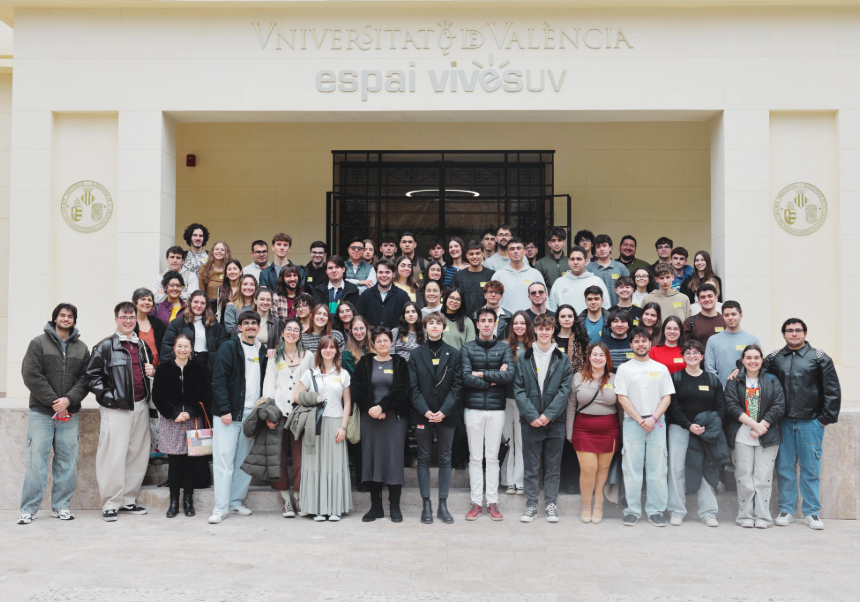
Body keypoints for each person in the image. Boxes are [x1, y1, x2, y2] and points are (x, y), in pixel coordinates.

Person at [17, 304, 90, 525]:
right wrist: (54, 401)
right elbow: (30, 374)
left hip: (70, 414)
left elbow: (85, 379)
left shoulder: (82, 348)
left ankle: (61, 507)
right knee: (36, 462)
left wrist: (68, 400)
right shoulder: (38, 343)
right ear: (55, 318)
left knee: (66, 462)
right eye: (62, 315)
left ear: (74, 320)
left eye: (70, 316)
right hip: (41, 413)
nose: (66, 319)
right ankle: (28, 509)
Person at [766, 319, 841, 531]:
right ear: (783, 335)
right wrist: (737, 370)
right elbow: (753, 368)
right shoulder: (774, 358)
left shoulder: (819, 358)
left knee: (811, 468)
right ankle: (786, 510)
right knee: (785, 468)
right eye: (789, 331)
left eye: (798, 330)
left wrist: (824, 419)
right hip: (783, 422)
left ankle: (812, 512)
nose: (794, 334)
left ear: (805, 333)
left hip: (811, 422)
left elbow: (832, 390)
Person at [85, 301, 155, 522]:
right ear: (116, 319)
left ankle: (128, 501)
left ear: (136, 319)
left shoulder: (141, 345)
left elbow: (146, 371)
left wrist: (152, 372)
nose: (128, 321)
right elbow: (92, 377)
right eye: (123, 317)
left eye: (131, 317)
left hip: (140, 405)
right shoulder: (105, 346)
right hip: (117, 409)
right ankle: (110, 504)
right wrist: (109, 398)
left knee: (137, 455)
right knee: (113, 456)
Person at [208, 309, 268, 524]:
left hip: (251, 415)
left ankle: (235, 502)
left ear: (259, 327)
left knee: (243, 461)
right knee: (224, 461)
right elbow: (218, 379)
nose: (250, 326)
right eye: (246, 323)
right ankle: (220, 508)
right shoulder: (229, 347)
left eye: (254, 323)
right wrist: (225, 409)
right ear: (239, 327)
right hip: (228, 414)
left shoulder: (263, 350)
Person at [513, 313, 572, 524]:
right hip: (530, 421)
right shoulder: (524, 357)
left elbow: (564, 391)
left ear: (553, 330)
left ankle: (550, 504)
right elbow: (518, 389)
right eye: (541, 329)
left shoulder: (562, 359)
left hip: (555, 422)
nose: (544, 332)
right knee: (530, 466)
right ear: (535, 330)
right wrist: (532, 415)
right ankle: (531, 505)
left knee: (553, 466)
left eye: (548, 329)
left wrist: (548, 415)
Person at [614, 326, 675, 527]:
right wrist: (640, 419)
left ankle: (655, 510)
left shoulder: (660, 368)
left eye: (644, 340)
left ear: (650, 343)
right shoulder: (624, 369)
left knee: (658, 469)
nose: (641, 344)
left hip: (657, 423)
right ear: (631, 345)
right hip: (633, 423)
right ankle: (632, 510)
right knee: (632, 469)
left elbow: (666, 398)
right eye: (636, 341)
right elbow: (622, 398)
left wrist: (652, 418)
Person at [460, 308, 516, 521]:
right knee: (475, 458)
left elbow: (509, 375)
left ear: (495, 324)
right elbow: (465, 378)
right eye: (482, 320)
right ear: (477, 324)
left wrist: (481, 374)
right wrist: (494, 379)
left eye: (489, 321)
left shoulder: (503, 348)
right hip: (472, 409)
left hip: (496, 410)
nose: (485, 324)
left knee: (492, 458)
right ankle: (476, 503)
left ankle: (492, 503)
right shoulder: (467, 348)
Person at [352, 327, 410, 522]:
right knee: (371, 460)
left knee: (393, 461)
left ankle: (395, 506)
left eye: (386, 340)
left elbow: (403, 389)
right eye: (379, 341)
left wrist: (384, 407)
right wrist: (372, 408)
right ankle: (376, 507)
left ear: (391, 343)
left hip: (394, 419)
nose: (383, 344)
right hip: (370, 419)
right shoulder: (365, 362)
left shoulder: (400, 362)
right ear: (373, 344)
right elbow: (356, 388)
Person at [409, 312, 463, 524]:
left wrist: (444, 411)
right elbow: (413, 388)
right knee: (423, 458)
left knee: (445, 459)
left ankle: (442, 504)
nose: (434, 326)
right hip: (422, 414)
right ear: (425, 327)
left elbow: (457, 386)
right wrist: (425, 411)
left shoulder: (454, 354)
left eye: (437, 323)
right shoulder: (416, 354)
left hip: (446, 415)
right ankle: (426, 505)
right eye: (430, 323)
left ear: (443, 328)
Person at [292, 335, 354, 521]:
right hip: (314, 424)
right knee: (315, 465)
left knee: (335, 466)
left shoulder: (343, 374)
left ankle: (334, 508)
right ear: (320, 350)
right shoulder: (310, 373)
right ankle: (317, 508)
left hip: (335, 422)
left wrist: (343, 427)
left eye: (332, 347)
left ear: (336, 350)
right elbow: (296, 396)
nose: (328, 350)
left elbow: (348, 403)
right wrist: (312, 398)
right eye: (324, 347)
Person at [666, 340, 726, 528]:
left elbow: (720, 408)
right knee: (676, 469)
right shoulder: (675, 378)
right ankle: (677, 510)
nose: (692, 355)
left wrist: (708, 428)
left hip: (704, 432)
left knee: (706, 468)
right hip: (680, 430)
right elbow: (673, 408)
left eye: (696, 352)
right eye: (688, 352)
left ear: (702, 356)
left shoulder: (712, 380)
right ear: (683, 356)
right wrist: (689, 425)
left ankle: (708, 513)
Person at [151, 334, 212, 518]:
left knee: (191, 463)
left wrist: (191, 412)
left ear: (191, 348)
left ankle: (188, 500)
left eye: (186, 346)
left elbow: (206, 395)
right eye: (180, 346)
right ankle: (174, 502)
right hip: (171, 422)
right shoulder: (163, 369)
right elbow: (158, 396)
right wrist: (173, 413)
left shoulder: (199, 369)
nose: (183, 349)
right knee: (175, 463)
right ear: (174, 348)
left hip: (192, 421)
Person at [724, 344, 785, 529]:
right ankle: (745, 516)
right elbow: (732, 406)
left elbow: (779, 404)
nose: (752, 361)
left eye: (756, 357)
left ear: (761, 360)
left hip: (767, 436)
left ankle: (763, 517)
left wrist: (762, 426)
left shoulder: (772, 380)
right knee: (744, 476)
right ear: (742, 360)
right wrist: (754, 425)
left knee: (763, 478)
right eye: (748, 358)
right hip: (742, 436)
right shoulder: (734, 381)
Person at [263, 317, 314, 518]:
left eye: (296, 330)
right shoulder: (275, 356)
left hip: (300, 414)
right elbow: (268, 385)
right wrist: (268, 413)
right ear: (283, 333)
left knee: (301, 460)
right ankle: (286, 500)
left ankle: (299, 498)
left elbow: (312, 383)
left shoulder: (308, 356)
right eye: (288, 329)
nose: (292, 332)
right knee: (279, 458)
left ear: (300, 335)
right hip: (279, 413)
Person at [566, 342, 620, 524]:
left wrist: (622, 433)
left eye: (601, 355)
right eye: (594, 354)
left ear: (607, 359)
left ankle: (599, 506)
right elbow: (571, 405)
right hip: (583, 428)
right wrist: (569, 431)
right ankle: (586, 506)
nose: (597, 358)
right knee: (588, 469)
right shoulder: (578, 378)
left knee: (603, 470)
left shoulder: (615, 379)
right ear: (589, 357)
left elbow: (621, 408)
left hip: (609, 429)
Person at [501, 311, 534, 496]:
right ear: (511, 325)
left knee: (522, 442)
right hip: (506, 399)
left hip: (525, 401)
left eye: (523, 323)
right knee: (508, 441)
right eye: (516, 323)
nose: (519, 326)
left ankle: (520, 480)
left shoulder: (535, 347)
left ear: (528, 325)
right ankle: (507, 481)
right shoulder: (504, 345)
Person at [161, 290, 229, 375]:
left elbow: (223, 353)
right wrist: (167, 370)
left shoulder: (216, 327)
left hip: (208, 371)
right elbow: (167, 349)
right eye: (196, 302)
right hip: (183, 368)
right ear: (190, 303)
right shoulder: (176, 324)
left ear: (207, 305)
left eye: (202, 303)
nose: (198, 305)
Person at [704, 300, 759, 385]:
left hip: (745, 389)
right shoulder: (713, 340)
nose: (730, 318)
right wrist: (719, 388)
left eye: (733, 314)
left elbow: (757, 366)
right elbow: (709, 368)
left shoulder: (752, 340)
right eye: (726, 315)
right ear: (723, 317)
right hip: (721, 391)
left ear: (741, 316)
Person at [547, 246, 610, 315]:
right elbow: (552, 310)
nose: (575, 262)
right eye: (572, 259)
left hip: (590, 324)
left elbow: (605, 307)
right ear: (568, 261)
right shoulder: (559, 283)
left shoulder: (596, 281)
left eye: (579, 259)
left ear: (586, 261)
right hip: (565, 325)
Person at [490, 237, 545, 314]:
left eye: (518, 248)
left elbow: (545, 300)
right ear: (507, 253)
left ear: (524, 251)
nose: (515, 251)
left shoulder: (535, 274)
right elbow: (492, 302)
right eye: (512, 249)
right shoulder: (498, 276)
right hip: (506, 321)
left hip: (531, 320)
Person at [355, 259, 410, 329]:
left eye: (387, 272)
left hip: (395, 338)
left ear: (393, 274)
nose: (384, 275)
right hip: (371, 338)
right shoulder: (365, 295)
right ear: (376, 274)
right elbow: (358, 318)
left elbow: (407, 320)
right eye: (380, 272)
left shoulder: (403, 296)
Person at [451, 240, 496, 317]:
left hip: (485, 320)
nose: (474, 257)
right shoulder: (458, 276)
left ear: (482, 254)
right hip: (463, 320)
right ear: (467, 255)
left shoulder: (491, 275)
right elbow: (452, 300)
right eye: (471, 254)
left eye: (477, 253)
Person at [585, 234, 630, 306]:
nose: (601, 249)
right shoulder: (589, 268)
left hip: (617, 310)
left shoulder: (620, 268)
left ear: (610, 247)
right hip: (596, 310)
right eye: (598, 247)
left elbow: (629, 289)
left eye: (604, 245)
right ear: (595, 250)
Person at [682, 283, 726, 349]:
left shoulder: (725, 321)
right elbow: (685, 348)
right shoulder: (690, 322)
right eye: (703, 297)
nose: (707, 300)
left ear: (716, 298)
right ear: (699, 301)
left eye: (710, 296)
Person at [132, 288, 165, 367]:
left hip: (157, 370)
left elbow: (164, 348)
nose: (146, 302)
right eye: (143, 299)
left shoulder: (158, 323)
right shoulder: (130, 324)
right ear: (135, 303)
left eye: (149, 300)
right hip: (137, 369)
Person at [198, 241, 231, 305]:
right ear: (212, 252)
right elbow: (202, 293)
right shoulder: (204, 269)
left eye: (222, 250)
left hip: (226, 307)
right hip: (209, 307)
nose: (219, 251)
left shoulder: (230, 270)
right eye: (216, 249)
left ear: (226, 253)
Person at [253, 287, 280, 352]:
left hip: (270, 359)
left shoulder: (278, 322)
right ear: (255, 300)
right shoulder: (246, 320)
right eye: (262, 299)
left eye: (268, 300)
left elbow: (282, 345)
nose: (265, 302)